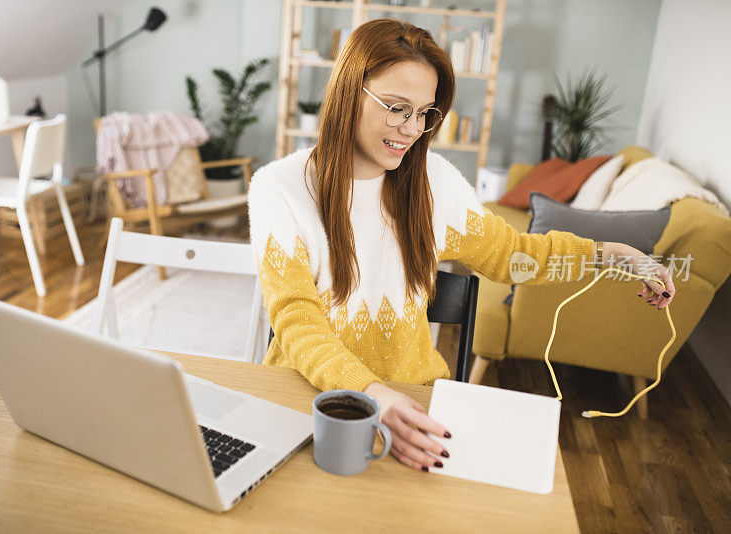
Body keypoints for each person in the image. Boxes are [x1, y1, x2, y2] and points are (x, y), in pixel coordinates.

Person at [247, 19, 675, 472]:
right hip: (308, 400)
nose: (412, 129)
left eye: (425, 112)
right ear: (349, 91)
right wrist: (371, 394)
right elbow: (296, 320)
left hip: (412, 402)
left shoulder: (435, 184)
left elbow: (511, 255)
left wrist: (609, 253)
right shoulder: (281, 188)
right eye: (396, 107)